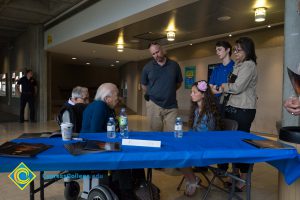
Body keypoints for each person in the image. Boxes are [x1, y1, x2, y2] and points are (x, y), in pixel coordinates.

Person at [81, 83, 143, 200]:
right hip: (92, 146)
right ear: (106, 98)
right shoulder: (100, 106)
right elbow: (96, 133)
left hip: (98, 143)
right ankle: (126, 192)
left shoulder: (108, 108)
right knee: (123, 155)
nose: (118, 98)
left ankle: (135, 185)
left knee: (131, 151)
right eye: (116, 95)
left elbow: (112, 128)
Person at [212, 37, 258, 191]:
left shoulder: (249, 65)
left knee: (242, 143)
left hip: (243, 110)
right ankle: (234, 175)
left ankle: (243, 180)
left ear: (247, 50)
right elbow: (229, 88)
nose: (236, 52)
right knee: (232, 143)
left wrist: (224, 86)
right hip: (232, 107)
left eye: (239, 50)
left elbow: (236, 87)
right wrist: (222, 89)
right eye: (235, 49)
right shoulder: (238, 66)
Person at [181, 80, 222, 196]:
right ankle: (193, 179)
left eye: (194, 92)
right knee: (176, 153)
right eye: (191, 92)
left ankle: (193, 180)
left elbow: (210, 136)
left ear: (203, 94)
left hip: (205, 146)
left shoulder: (210, 113)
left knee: (180, 155)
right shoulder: (195, 110)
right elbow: (193, 130)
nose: (191, 94)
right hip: (197, 143)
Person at [141, 42, 183, 132]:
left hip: (171, 105)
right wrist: (153, 92)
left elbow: (179, 82)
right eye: (153, 54)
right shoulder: (147, 67)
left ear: (163, 50)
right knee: (155, 134)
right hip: (154, 104)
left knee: (173, 133)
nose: (156, 55)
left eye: (157, 52)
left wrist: (169, 90)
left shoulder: (174, 65)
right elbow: (144, 85)